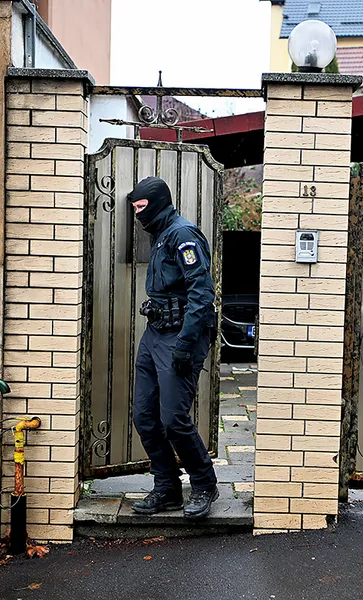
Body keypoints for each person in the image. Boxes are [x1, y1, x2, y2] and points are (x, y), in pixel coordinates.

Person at [127, 176, 219, 519]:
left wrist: (185, 343)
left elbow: (201, 293)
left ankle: (204, 483)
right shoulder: (161, 234)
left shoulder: (182, 234)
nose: (137, 215)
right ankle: (166, 489)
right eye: (134, 209)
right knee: (145, 416)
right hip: (155, 335)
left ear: (158, 203)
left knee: (174, 419)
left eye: (141, 208)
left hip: (180, 336)